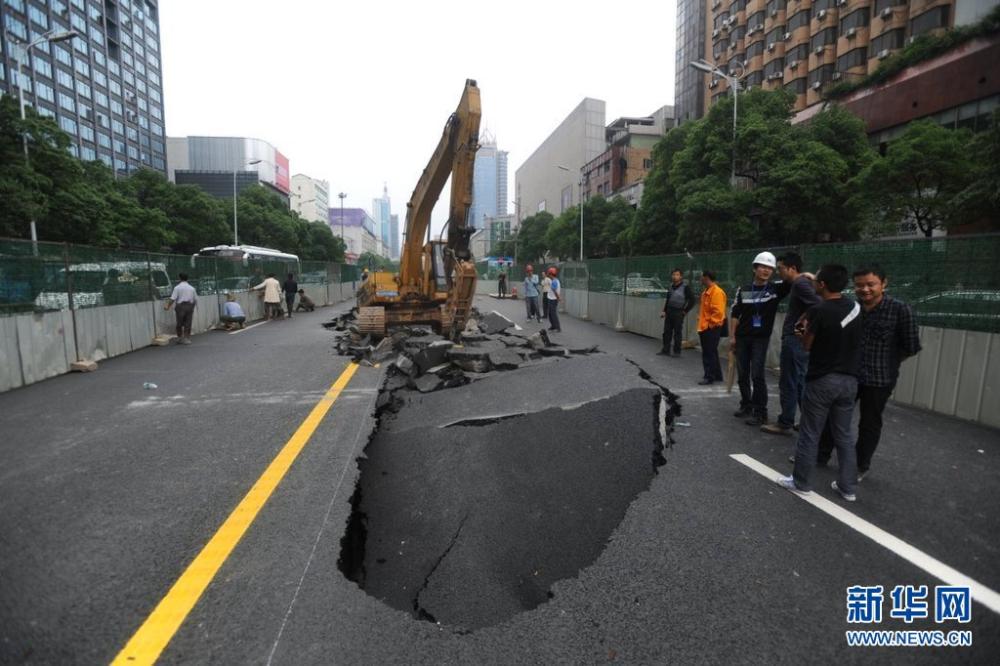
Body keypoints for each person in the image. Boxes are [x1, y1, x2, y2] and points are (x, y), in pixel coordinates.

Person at [816, 264, 921, 482]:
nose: (865, 290)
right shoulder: (852, 308)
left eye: (870, 284)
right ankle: (819, 455)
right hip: (849, 374)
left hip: (880, 379)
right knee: (833, 416)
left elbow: (911, 347)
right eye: (860, 285)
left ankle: (860, 465)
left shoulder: (900, 310)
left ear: (884, 284)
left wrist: (889, 361)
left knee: (869, 423)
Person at [777, 265, 863, 502]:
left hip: (823, 379)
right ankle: (848, 488)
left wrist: (800, 333)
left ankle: (801, 482)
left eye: (816, 279)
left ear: (822, 285)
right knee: (844, 435)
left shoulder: (819, 310)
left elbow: (807, 345)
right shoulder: (855, 307)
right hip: (850, 380)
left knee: (810, 432)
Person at [762, 253, 822, 436]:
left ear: (792, 268)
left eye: (780, 268)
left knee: (790, 381)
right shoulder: (800, 282)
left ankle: (786, 422)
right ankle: (807, 422)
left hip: (795, 340)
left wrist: (801, 323)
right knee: (799, 381)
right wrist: (811, 276)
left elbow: (818, 305)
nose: (778, 272)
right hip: (797, 340)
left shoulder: (800, 283)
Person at [730, 251, 785, 426]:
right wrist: (732, 337)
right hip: (742, 337)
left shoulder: (775, 289)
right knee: (743, 373)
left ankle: (760, 412)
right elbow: (735, 314)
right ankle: (746, 404)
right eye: (762, 267)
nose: (766, 270)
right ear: (755, 268)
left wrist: (806, 274)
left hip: (761, 339)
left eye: (770, 268)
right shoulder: (743, 289)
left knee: (757, 374)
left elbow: (796, 279)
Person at [696, 271, 727, 385]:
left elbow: (718, 312)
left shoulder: (716, 292)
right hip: (707, 326)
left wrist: (710, 325)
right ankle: (717, 375)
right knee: (712, 352)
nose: (700, 279)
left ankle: (709, 376)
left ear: (707, 278)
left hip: (711, 328)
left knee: (708, 352)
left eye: (702, 277)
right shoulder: (707, 292)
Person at [659, 268, 695, 357]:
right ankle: (665, 350)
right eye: (674, 275)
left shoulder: (685, 287)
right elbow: (668, 299)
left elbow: (692, 300)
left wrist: (685, 311)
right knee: (666, 332)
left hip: (679, 312)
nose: (675, 277)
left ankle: (677, 351)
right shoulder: (671, 286)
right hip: (669, 311)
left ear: (681, 276)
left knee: (677, 333)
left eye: (677, 275)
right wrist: (664, 310)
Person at [164, 273, 197, 344]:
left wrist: (168, 306)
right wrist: (192, 307)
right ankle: (186, 338)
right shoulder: (192, 288)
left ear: (179, 278)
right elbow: (195, 299)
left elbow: (172, 298)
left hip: (180, 306)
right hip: (189, 306)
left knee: (179, 322)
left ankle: (179, 337)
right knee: (188, 322)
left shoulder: (177, 287)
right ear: (187, 279)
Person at [546, 267, 561, 332]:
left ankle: (557, 328)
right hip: (551, 299)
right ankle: (553, 326)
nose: (548, 275)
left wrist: (558, 298)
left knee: (553, 314)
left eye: (549, 274)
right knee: (550, 313)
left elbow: (555, 291)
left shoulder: (554, 281)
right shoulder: (555, 280)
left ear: (551, 274)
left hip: (553, 300)